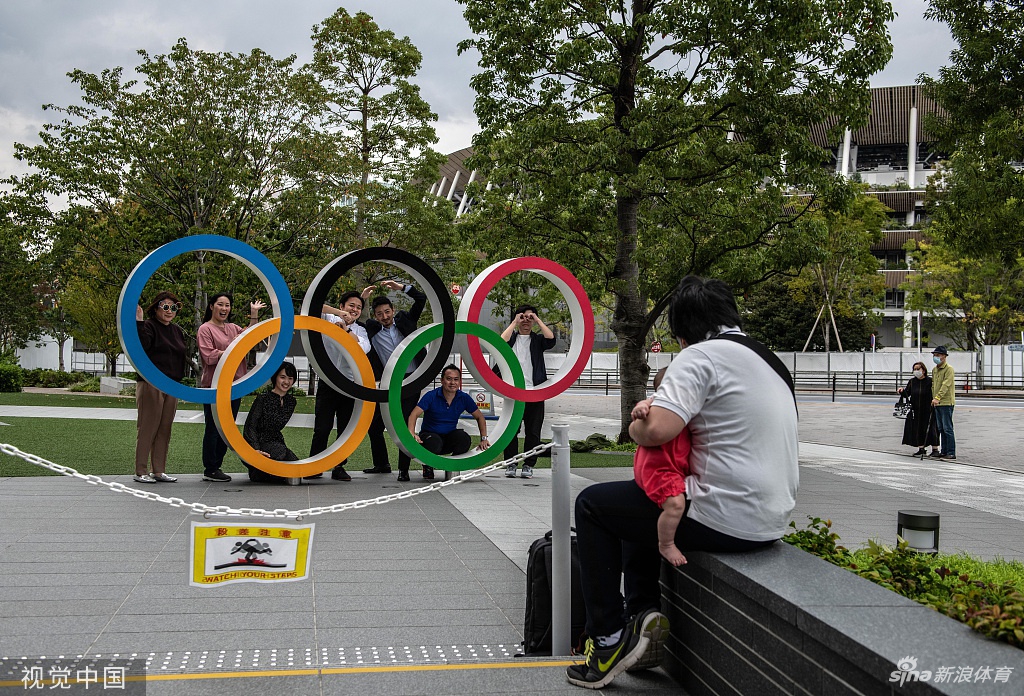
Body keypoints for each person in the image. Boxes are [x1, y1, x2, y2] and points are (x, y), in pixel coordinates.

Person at [566, 276, 798, 689]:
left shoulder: (700, 357)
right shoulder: (769, 359)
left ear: (682, 329)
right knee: (636, 502)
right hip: (770, 518)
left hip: (725, 514)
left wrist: (635, 430)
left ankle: (606, 639)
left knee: (592, 506)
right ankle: (642, 616)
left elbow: (656, 430)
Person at [359, 280, 428, 481]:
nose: (385, 317)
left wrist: (401, 288)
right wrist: (363, 299)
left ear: (393, 309)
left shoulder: (406, 320)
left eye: (387, 312)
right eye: (379, 314)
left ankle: (404, 469)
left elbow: (421, 298)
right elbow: (355, 320)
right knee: (374, 426)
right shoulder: (371, 328)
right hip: (388, 382)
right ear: (374, 315)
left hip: (411, 380)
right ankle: (382, 464)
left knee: (404, 423)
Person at [197, 292, 266, 483]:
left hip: (235, 385)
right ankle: (210, 468)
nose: (224, 309)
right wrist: (232, 350)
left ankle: (216, 465)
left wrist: (254, 314)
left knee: (227, 428)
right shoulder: (205, 329)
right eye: (220, 305)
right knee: (213, 427)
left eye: (227, 305)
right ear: (211, 306)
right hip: (215, 386)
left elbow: (250, 336)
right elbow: (208, 355)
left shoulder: (233, 328)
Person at [306, 291, 371, 481]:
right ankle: (314, 465)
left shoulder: (361, 330)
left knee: (345, 429)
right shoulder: (328, 318)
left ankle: (339, 467)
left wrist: (345, 330)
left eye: (359, 307)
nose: (355, 310)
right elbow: (312, 306)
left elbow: (363, 349)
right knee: (322, 428)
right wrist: (338, 314)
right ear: (342, 306)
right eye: (351, 305)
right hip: (328, 382)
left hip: (349, 385)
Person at [631, 368, 691, 567]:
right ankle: (666, 543)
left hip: (672, 466)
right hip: (658, 468)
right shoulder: (658, 402)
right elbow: (644, 404)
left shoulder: (691, 402)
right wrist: (641, 409)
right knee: (675, 504)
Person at [132, 292, 187, 484]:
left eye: (173, 307)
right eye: (165, 306)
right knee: (148, 427)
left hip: (171, 385)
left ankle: (159, 470)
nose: (169, 311)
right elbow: (142, 346)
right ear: (155, 308)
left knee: (165, 428)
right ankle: (140, 471)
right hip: (151, 383)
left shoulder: (177, 331)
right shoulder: (148, 326)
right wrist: (138, 322)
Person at [500, 304, 556, 479]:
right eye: (522, 317)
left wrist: (537, 320)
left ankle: (528, 465)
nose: (526, 320)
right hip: (514, 392)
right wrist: (514, 323)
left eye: (530, 318)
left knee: (533, 431)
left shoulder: (538, 340)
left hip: (535, 392)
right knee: (511, 431)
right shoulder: (513, 338)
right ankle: (510, 464)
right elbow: (500, 342)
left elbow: (551, 339)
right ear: (517, 319)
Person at [406, 364, 490, 476]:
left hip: (448, 437)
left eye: (456, 379)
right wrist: (412, 433)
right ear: (442, 380)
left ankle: (452, 466)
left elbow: (480, 417)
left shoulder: (463, 398)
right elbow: (413, 415)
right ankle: (428, 465)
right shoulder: (431, 396)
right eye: (448, 379)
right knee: (435, 442)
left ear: (459, 381)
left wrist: (484, 438)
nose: (452, 383)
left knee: (464, 438)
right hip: (430, 437)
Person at [241, 362, 299, 484]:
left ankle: (260, 473)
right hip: (259, 441)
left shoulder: (291, 402)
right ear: (275, 377)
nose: (286, 382)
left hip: (276, 441)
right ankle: (258, 470)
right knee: (281, 456)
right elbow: (250, 426)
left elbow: (277, 424)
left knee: (297, 467)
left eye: (290, 378)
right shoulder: (263, 398)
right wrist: (255, 449)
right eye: (282, 377)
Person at [897, 361, 940, 457]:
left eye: (918, 369)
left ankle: (935, 449)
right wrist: (902, 391)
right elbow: (908, 393)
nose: (916, 371)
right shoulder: (912, 381)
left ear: (923, 370)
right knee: (918, 428)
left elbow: (935, 392)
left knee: (932, 428)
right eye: (914, 369)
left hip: (928, 408)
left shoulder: (930, 381)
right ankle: (921, 448)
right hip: (915, 409)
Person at [930, 345, 956, 459]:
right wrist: (933, 398)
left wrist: (938, 397)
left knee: (947, 428)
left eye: (938, 355)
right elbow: (933, 385)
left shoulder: (949, 369)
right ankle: (944, 451)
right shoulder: (935, 370)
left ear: (944, 356)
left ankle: (951, 451)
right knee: (940, 428)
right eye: (935, 355)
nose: (936, 357)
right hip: (937, 402)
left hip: (946, 402)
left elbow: (946, 384)